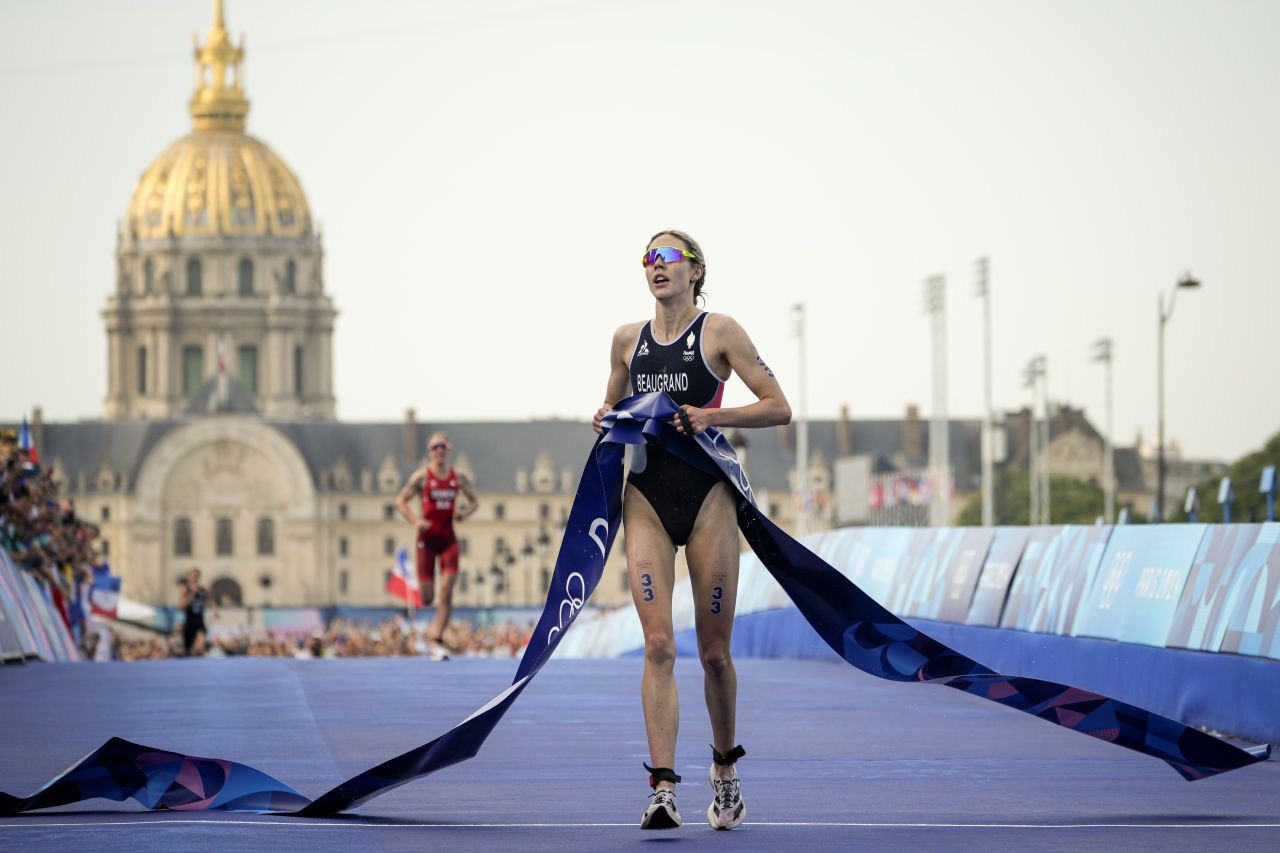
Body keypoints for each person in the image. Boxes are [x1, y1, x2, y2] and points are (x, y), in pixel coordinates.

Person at [593, 230, 791, 830]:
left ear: (695, 270)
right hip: (648, 499)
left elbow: (778, 406)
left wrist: (713, 415)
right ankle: (662, 789)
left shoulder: (720, 332)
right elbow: (607, 414)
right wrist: (602, 418)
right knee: (657, 644)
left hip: (708, 500)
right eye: (649, 258)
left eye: (668, 257)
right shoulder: (627, 341)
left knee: (713, 654)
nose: (657, 266)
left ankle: (726, 770)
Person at [395, 432, 478, 660]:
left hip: (448, 537)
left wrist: (463, 513)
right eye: (435, 447)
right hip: (427, 540)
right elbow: (400, 501)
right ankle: (434, 632)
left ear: (448, 450)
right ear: (430, 452)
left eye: (443, 447)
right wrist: (415, 520)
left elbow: (475, 501)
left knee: (448, 587)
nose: (439, 451)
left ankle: (436, 635)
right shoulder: (422, 478)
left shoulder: (458, 478)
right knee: (428, 597)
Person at [179, 567, 212, 656]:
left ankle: (200, 655)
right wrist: (191, 595)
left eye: (196, 576)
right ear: (189, 577)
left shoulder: (202, 589)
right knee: (187, 648)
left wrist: (215, 609)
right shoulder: (185, 589)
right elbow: (181, 606)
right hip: (190, 619)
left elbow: (210, 598)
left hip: (200, 618)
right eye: (193, 576)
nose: (195, 578)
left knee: (201, 640)